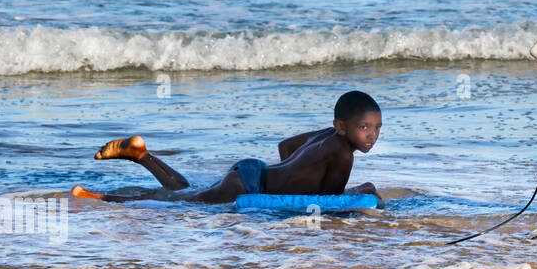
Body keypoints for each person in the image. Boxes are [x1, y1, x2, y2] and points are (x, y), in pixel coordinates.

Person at [75, 91, 382, 204]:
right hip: (246, 188)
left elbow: (285, 147)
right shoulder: (342, 153)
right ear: (342, 126)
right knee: (169, 204)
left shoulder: (328, 135)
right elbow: (327, 204)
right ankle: (96, 196)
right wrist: (361, 192)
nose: (371, 135)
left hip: (252, 171)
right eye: (364, 127)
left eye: (377, 128)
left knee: (183, 193)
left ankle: (140, 154)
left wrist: (293, 175)